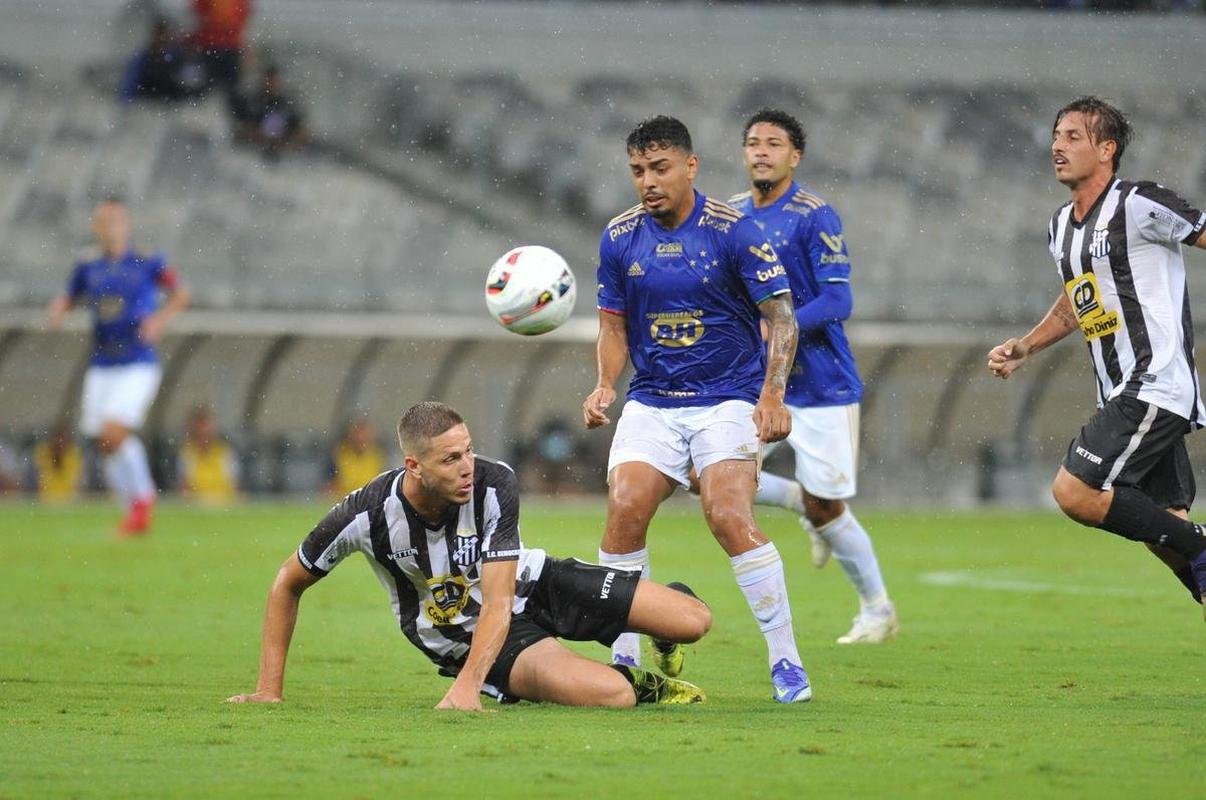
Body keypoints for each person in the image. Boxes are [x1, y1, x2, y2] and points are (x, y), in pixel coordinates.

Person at [227, 401, 711, 710]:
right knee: (614, 695)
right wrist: (269, 690)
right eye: (450, 459)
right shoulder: (365, 514)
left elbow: (500, 599)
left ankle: (662, 631)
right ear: (414, 466)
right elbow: (287, 582)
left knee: (693, 621)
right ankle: (635, 682)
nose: (467, 468)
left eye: (468, 451)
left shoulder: (494, 482)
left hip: (533, 583)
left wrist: (465, 691)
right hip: (464, 634)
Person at [583, 115, 811, 703]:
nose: (648, 182)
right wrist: (605, 384)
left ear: (691, 166)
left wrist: (772, 395)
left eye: (660, 168)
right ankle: (625, 658)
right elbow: (613, 326)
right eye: (638, 170)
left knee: (727, 513)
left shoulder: (735, 232)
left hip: (728, 397)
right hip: (653, 399)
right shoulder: (619, 237)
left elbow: (783, 318)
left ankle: (786, 660)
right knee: (625, 506)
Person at [987, 96, 1206, 613]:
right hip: (1120, 390)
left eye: (1073, 136)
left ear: (1107, 149)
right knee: (1165, 532)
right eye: (1055, 136)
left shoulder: (1139, 203)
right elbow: (1079, 299)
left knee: (1075, 492)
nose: (1057, 146)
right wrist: (1026, 346)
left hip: (1155, 382)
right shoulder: (1060, 226)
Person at [725, 108, 897, 644]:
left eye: (773, 144)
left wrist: (776, 327)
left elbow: (838, 300)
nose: (761, 151)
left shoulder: (814, 216)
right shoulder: (730, 216)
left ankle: (878, 610)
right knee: (700, 473)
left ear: (794, 156)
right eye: (753, 142)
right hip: (755, 384)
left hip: (821, 384)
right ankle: (802, 503)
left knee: (828, 506)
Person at [47, 198, 191, 535]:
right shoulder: (88, 265)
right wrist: (59, 308)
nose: (110, 226)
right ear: (95, 227)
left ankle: (143, 500)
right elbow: (70, 295)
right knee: (104, 441)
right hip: (102, 362)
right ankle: (133, 514)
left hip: (137, 361)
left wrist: (159, 320)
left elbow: (181, 293)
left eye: (116, 220)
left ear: (127, 224)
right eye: (104, 220)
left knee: (114, 432)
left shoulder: (147, 260)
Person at [233, 66, 308, 159]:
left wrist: (285, 141)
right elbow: (245, 128)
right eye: (270, 81)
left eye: (275, 81)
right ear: (263, 82)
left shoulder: (288, 102)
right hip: (256, 151)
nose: (272, 85)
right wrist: (264, 137)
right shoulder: (254, 102)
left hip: (285, 150)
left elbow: (301, 130)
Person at [178, 405, 240, 504]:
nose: (204, 433)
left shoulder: (225, 452)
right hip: (197, 506)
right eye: (201, 429)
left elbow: (234, 487)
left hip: (224, 505)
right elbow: (185, 489)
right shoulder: (187, 454)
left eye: (208, 429)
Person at [327, 416, 385, 498]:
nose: (361, 438)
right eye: (358, 434)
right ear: (351, 435)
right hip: (343, 500)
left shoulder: (377, 456)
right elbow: (329, 486)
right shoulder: (339, 454)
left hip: (369, 500)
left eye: (365, 435)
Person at [34, 422, 84, 503]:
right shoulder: (42, 454)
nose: (59, 443)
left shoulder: (73, 455)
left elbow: (77, 484)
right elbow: (36, 483)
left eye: (63, 439)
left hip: (70, 502)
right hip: (43, 502)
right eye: (57, 439)